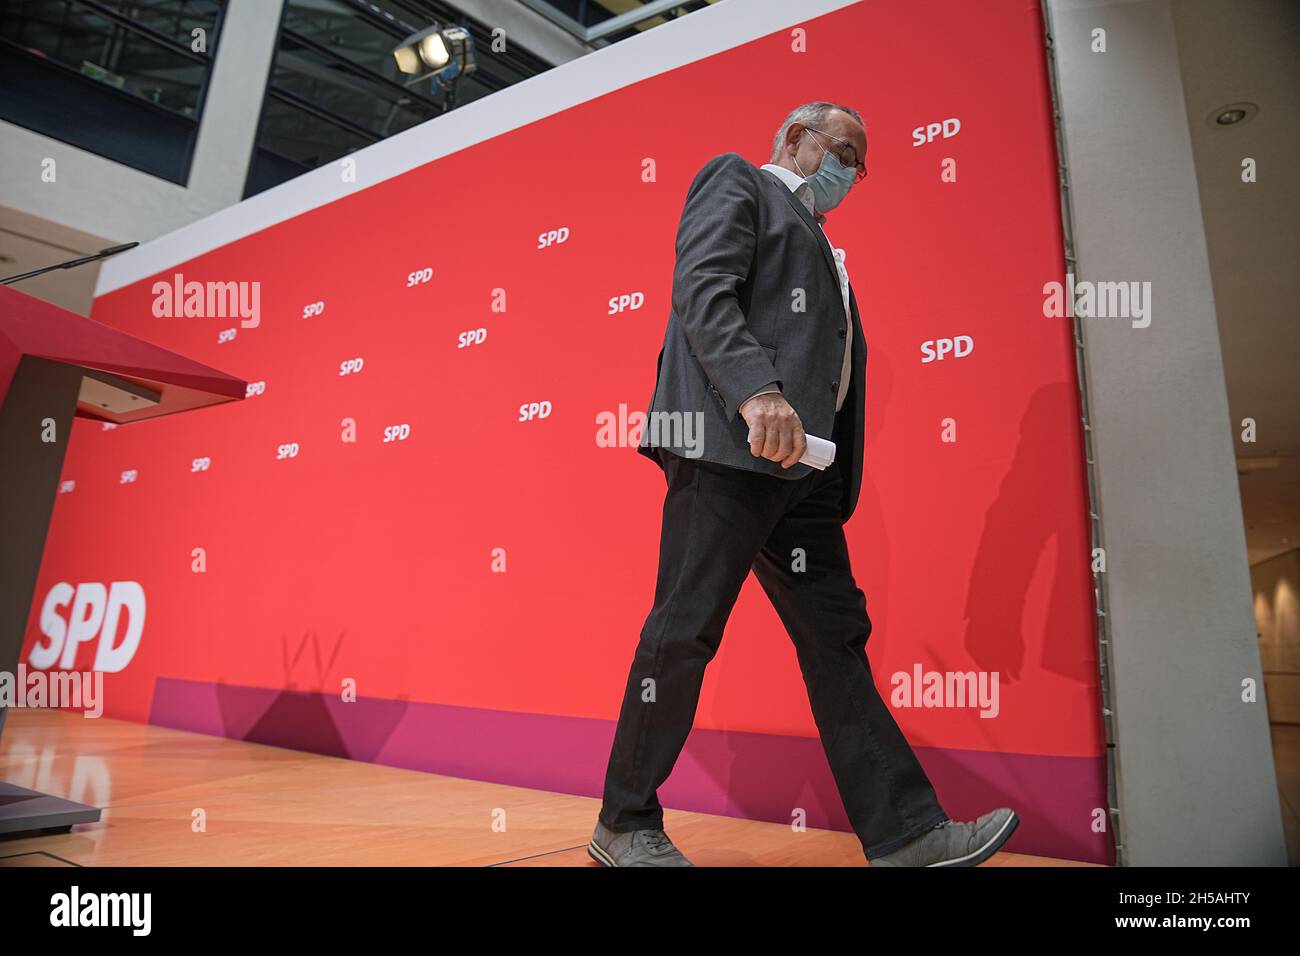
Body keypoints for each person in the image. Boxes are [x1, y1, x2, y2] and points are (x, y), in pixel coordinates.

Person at [588, 102, 1019, 867]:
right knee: (683, 630)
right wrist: (757, 392)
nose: (850, 172)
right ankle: (624, 822)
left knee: (836, 642)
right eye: (843, 151)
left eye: (860, 165)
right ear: (795, 138)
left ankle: (908, 834)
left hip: (804, 476)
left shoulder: (824, 244)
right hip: (729, 448)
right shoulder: (740, 183)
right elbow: (703, 289)